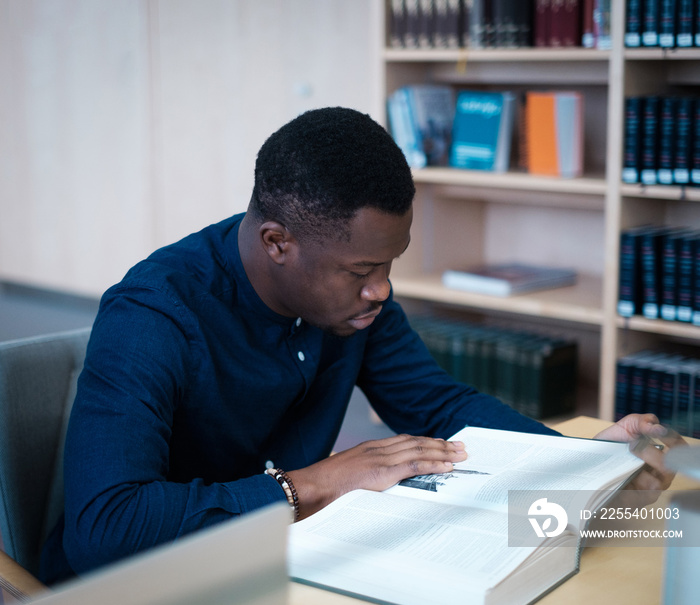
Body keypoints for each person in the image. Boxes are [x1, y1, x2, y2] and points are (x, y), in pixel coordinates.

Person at [41, 107, 683, 584]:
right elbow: (106, 530)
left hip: (275, 560)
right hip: (143, 582)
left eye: (389, 265)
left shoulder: (348, 302)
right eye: (360, 272)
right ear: (276, 243)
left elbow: (436, 406)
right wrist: (311, 485)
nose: (381, 291)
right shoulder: (152, 315)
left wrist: (580, 463)